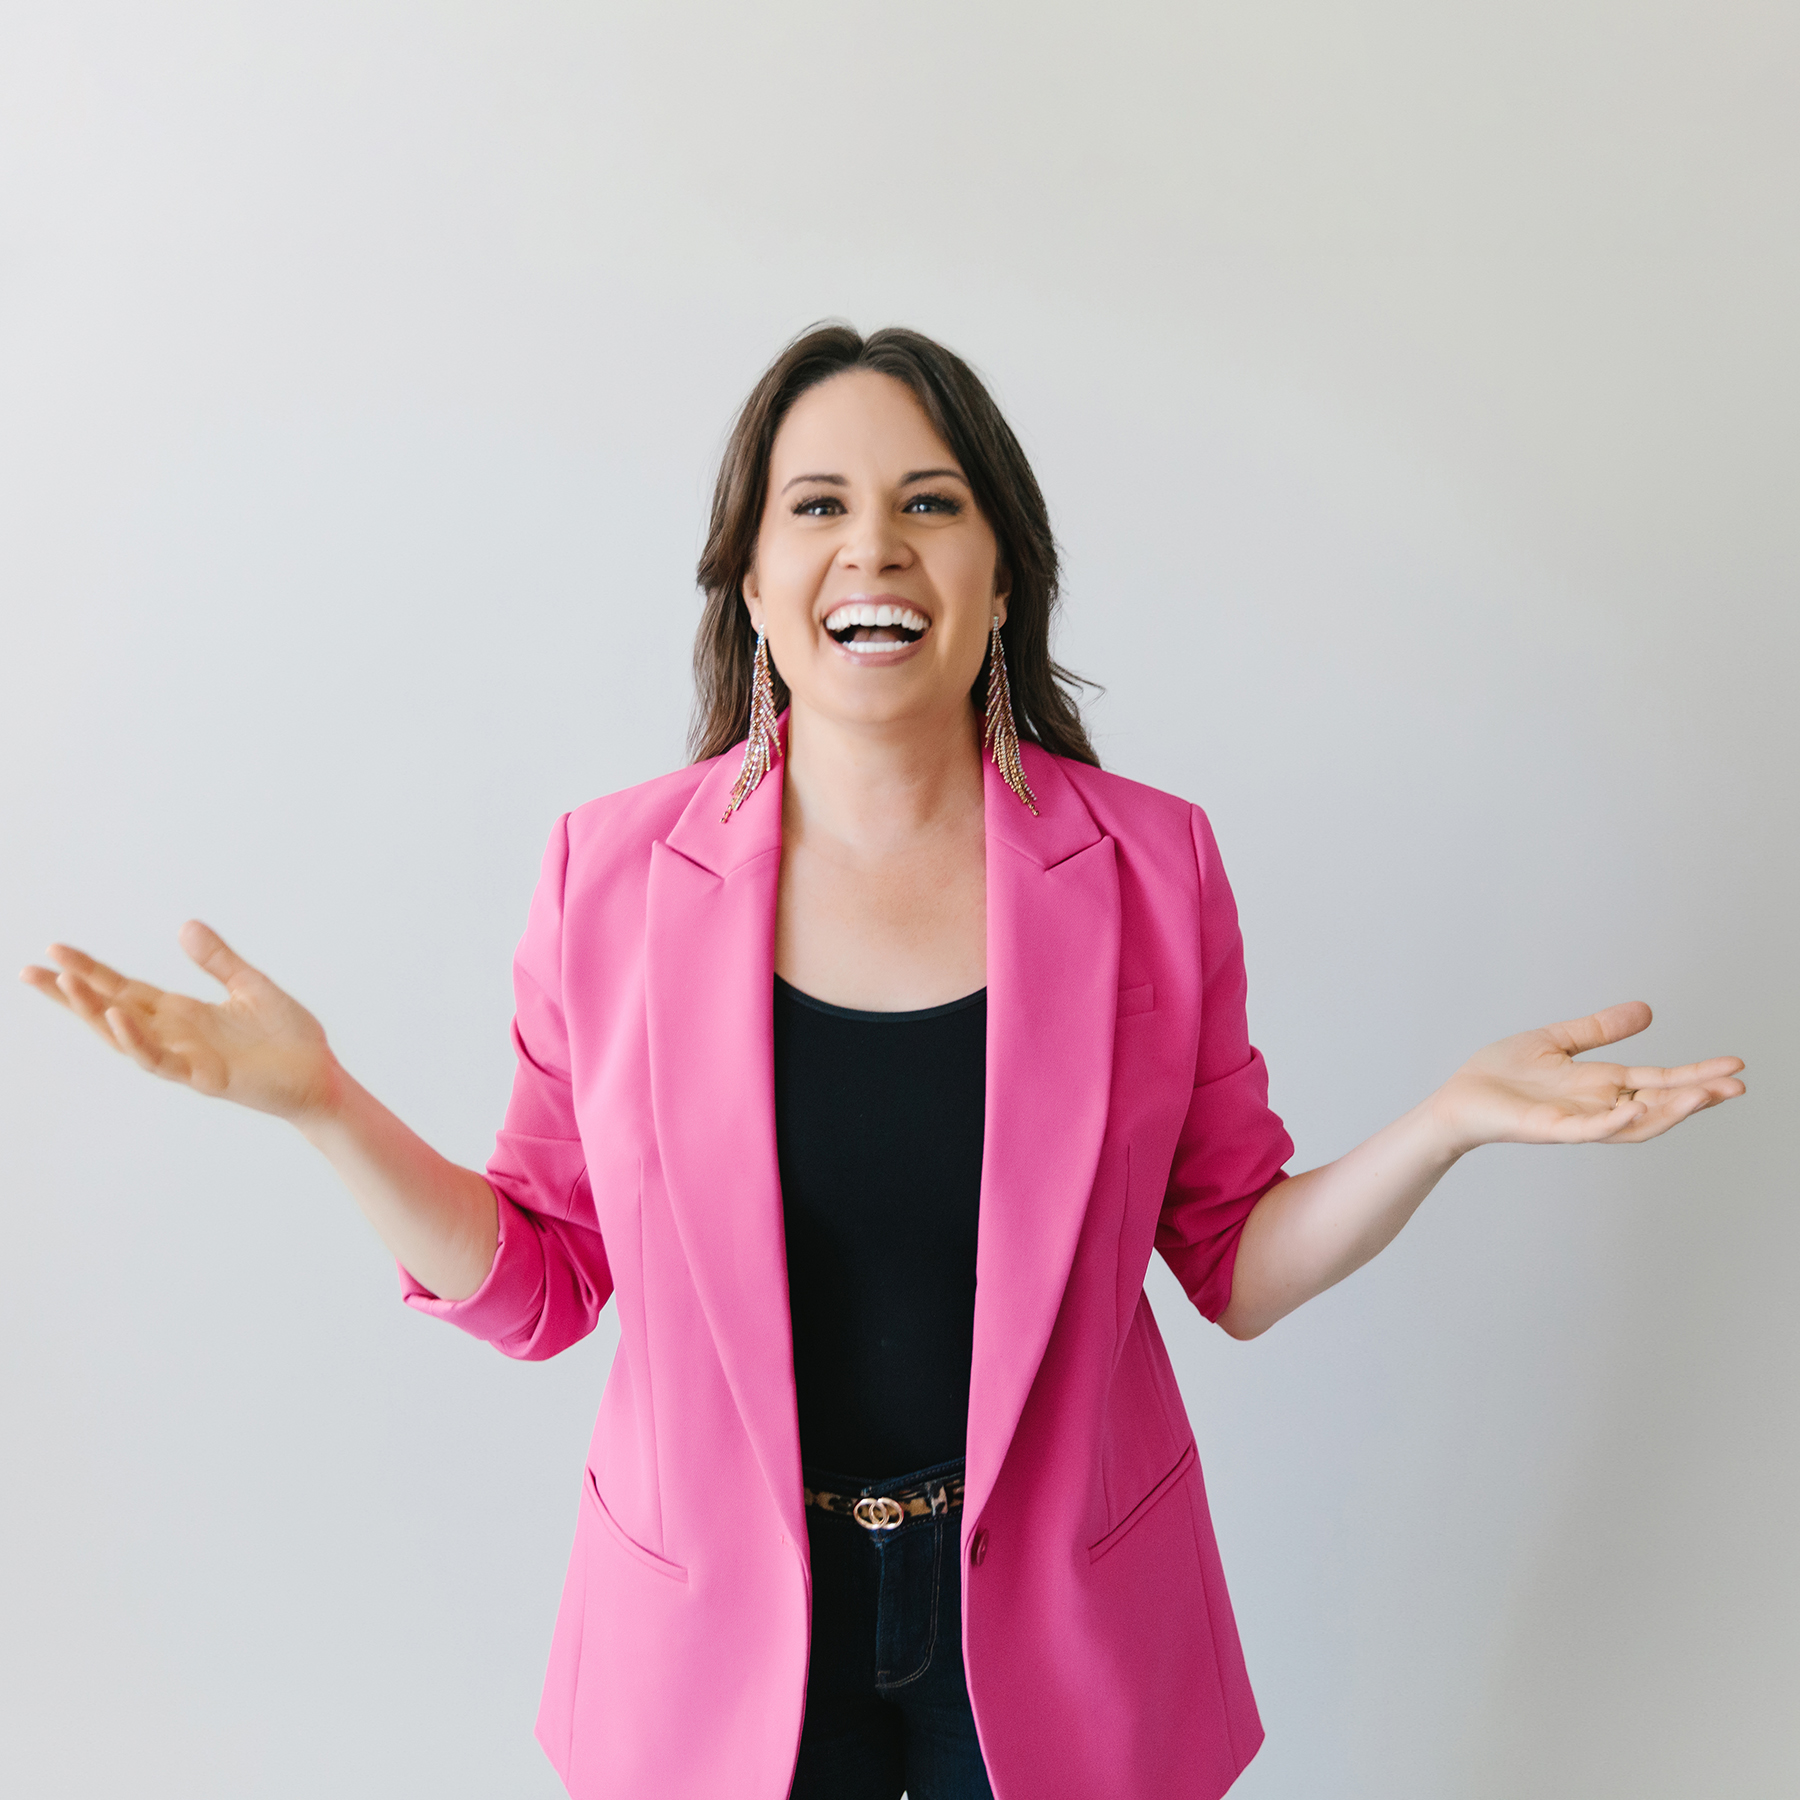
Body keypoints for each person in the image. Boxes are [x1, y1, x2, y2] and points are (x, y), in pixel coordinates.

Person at [21, 324, 1746, 1800]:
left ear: (1001, 572)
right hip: (720, 1640)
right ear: (757, 581)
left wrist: (1442, 1125)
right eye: (820, 508)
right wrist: (323, 1106)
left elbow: (1231, 1261)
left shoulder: (1152, 871)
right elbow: (545, 1282)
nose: (878, 550)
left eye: (932, 504)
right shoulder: (608, 878)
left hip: (1059, 1631)